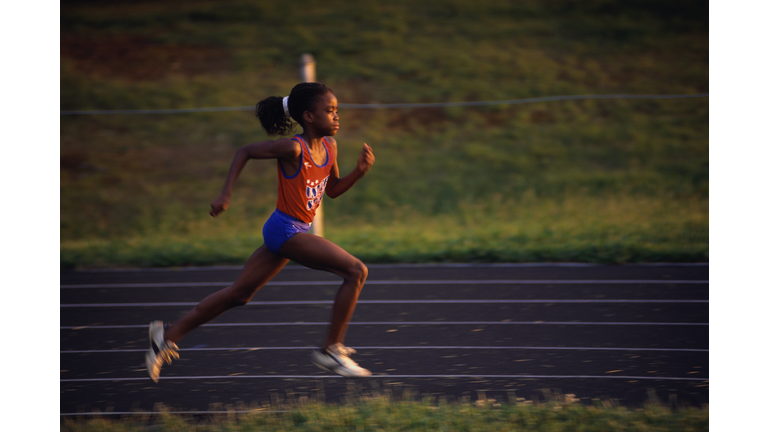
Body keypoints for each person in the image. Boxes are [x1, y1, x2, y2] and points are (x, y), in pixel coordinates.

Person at [145, 82, 376, 382]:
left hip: (292, 230)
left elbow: (331, 190)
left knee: (239, 294)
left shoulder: (330, 148)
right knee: (356, 271)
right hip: (284, 230)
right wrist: (225, 194)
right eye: (329, 111)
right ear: (308, 116)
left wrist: (358, 172)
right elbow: (245, 151)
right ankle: (330, 350)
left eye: (337, 111)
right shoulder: (293, 147)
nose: (336, 117)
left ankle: (166, 335)